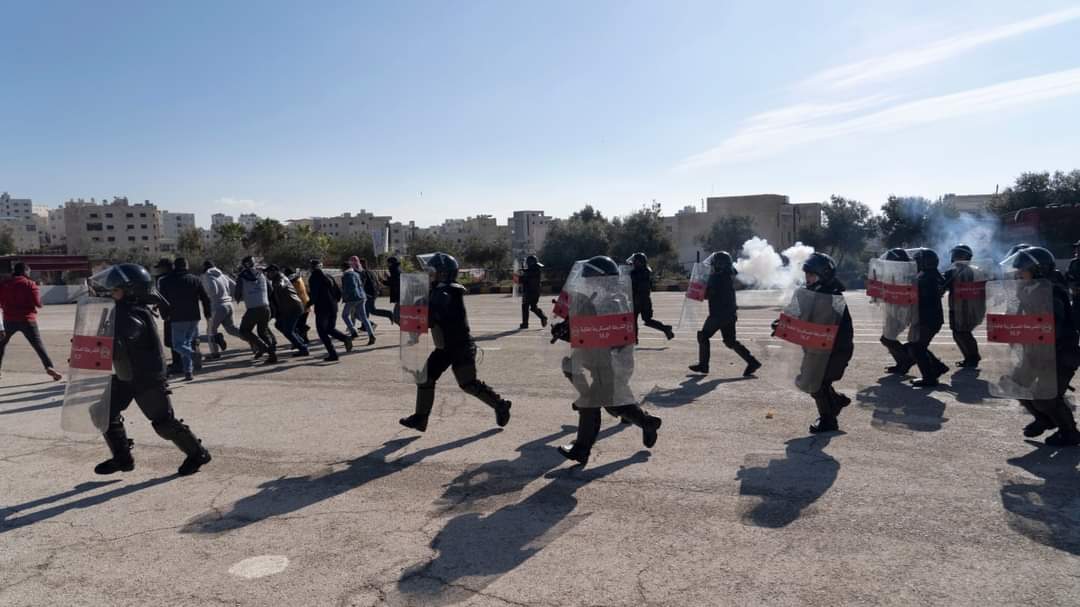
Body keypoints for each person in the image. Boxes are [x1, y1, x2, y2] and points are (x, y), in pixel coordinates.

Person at [90, 263, 212, 476]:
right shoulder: (121, 311)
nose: (109, 293)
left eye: (114, 289)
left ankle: (198, 454)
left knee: (163, 423)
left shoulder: (132, 314)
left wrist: (96, 348)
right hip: (126, 375)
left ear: (130, 291)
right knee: (103, 412)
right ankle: (122, 458)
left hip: (147, 378)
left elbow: (120, 341)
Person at [551, 255, 661, 464]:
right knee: (612, 404)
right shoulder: (598, 298)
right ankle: (647, 422)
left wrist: (576, 331)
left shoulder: (613, 302)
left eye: (589, 277)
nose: (586, 281)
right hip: (600, 360)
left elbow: (604, 335)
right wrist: (565, 329)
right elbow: (586, 331)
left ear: (601, 279)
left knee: (591, 402)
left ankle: (581, 449)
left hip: (612, 363)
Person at [399, 252, 512, 433]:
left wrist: (410, 314)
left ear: (443, 273)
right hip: (444, 348)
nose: (429, 275)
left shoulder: (448, 293)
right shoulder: (437, 291)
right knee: (425, 378)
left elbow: (430, 317)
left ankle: (500, 405)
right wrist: (406, 310)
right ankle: (420, 419)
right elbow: (421, 311)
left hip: (460, 348)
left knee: (468, 384)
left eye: (432, 272)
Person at [1007, 247, 1080, 446]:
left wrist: (1026, 332)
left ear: (1037, 270)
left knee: (1046, 396)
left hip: (1059, 353)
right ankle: (1044, 420)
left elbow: (1052, 327)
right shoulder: (1028, 290)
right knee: (1016, 386)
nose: (1018, 274)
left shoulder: (1052, 293)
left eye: (1022, 270)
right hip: (1036, 350)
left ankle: (1070, 433)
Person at [800, 253, 854, 433]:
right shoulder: (812, 293)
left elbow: (825, 323)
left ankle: (828, 421)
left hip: (836, 350)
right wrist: (783, 324)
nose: (807, 278)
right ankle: (836, 401)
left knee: (816, 383)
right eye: (806, 274)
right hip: (820, 349)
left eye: (811, 275)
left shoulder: (834, 297)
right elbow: (800, 315)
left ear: (823, 275)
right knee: (815, 381)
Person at [688, 251, 761, 376]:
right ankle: (752, 362)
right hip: (729, 314)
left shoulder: (717, 277)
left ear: (719, 264)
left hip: (718, 314)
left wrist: (696, 290)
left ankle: (703, 365)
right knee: (730, 341)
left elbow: (709, 294)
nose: (712, 265)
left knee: (703, 336)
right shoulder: (729, 275)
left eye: (714, 263)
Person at [0, 263, 62, 381]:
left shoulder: (4, 284)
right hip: (27, 320)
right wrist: (40, 304)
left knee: (1, 345)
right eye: (29, 271)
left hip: (8, 320)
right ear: (25, 271)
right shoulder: (30, 284)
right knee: (38, 346)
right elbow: (38, 303)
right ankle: (49, 366)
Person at [156, 257, 212, 381]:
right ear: (186, 266)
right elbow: (205, 298)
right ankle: (188, 372)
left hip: (177, 317)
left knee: (178, 345)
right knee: (186, 344)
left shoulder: (165, 281)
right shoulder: (195, 279)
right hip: (194, 317)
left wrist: (165, 315)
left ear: (175, 266)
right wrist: (207, 313)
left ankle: (193, 355)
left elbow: (162, 300)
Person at [906, 248, 949, 387]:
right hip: (930, 318)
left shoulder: (925, 278)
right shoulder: (932, 276)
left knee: (917, 348)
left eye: (918, 261)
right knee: (918, 346)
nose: (916, 263)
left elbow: (917, 297)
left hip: (927, 319)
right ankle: (938, 367)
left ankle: (929, 378)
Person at [942, 244, 984, 368]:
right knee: (957, 333)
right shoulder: (952, 272)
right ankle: (968, 357)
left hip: (968, 308)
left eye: (958, 255)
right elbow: (943, 285)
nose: (955, 257)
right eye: (955, 255)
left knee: (964, 333)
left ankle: (973, 357)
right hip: (956, 307)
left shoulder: (974, 271)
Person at [877, 248, 917, 374]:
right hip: (894, 309)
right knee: (888, 338)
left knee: (887, 338)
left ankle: (906, 360)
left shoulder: (908, 275)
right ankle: (903, 362)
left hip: (901, 311)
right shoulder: (902, 274)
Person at [306, 259, 354, 361]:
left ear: (312, 267)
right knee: (329, 328)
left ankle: (333, 354)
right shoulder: (329, 276)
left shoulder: (314, 278)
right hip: (333, 306)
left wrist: (308, 304)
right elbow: (338, 292)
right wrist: (334, 302)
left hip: (322, 308)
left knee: (322, 331)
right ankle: (345, 338)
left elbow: (314, 295)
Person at [234, 256, 277, 364]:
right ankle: (272, 354)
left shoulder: (242, 277)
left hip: (253, 309)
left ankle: (262, 347)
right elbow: (271, 289)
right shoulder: (262, 274)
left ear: (244, 265)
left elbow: (237, 294)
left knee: (244, 330)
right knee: (263, 331)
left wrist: (242, 297)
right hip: (266, 307)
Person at [628, 252, 674, 341]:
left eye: (634, 261)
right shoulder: (646, 271)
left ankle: (634, 339)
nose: (633, 263)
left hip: (637, 300)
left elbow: (632, 282)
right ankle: (665, 328)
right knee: (647, 320)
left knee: (633, 320)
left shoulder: (635, 273)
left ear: (639, 262)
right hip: (645, 300)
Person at [266, 265, 310, 357]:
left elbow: (282, 284)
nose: (267, 274)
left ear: (274, 271)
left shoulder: (281, 278)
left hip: (294, 308)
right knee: (279, 324)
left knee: (288, 331)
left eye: (268, 272)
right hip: (288, 308)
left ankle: (303, 348)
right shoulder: (275, 280)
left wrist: (278, 285)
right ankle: (300, 341)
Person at [200, 260, 239, 360]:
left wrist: (207, 297)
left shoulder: (207, 276)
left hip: (216, 306)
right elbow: (235, 286)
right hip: (229, 304)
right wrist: (229, 296)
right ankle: (251, 340)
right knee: (231, 329)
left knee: (211, 330)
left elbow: (213, 290)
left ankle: (215, 353)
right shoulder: (223, 275)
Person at [154, 258, 182, 374]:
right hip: (182, 312)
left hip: (170, 314)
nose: (158, 270)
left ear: (165, 268)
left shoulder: (163, 280)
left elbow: (162, 297)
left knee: (172, 341)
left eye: (160, 268)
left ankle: (178, 364)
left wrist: (164, 313)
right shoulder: (179, 277)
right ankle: (180, 362)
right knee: (179, 339)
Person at [341, 257, 376, 345]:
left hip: (353, 298)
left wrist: (346, 297)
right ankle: (371, 335)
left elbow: (350, 287)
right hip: (362, 297)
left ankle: (353, 332)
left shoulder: (347, 275)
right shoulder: (355, 273)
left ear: (344, 268)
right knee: (364, 318)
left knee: (345, 315)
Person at [519, 254, 548, 329]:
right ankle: (543, 317)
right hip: (535, 292)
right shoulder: (536, 269)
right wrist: (523, 270)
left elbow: (522, 279)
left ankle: (525, 324)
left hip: (529, 292)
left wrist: (519, 275)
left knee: (525, 306)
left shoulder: (530, 272)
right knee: (533, 307)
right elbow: (527, 273)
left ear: (530, 263)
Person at [283, 266, 311, 344]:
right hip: (306, 302)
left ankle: (303, 334)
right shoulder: (299, 278)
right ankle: (305, 339)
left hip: (300, 304)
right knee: (301, 323)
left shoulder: (292, 280)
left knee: (297, 324)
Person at [373, 256, 401, 325]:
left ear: (391, 263)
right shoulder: (396, 270)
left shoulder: (395, 271)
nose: (387, 264)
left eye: (388, 263)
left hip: (400, 297)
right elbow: (393, 281)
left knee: (396, 318)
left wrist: (383, 280)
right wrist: (387, 277)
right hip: (400, 297)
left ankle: (407, 328)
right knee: (397, 317)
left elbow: (393, 282)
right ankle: (406, 328)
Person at [1066, 240, 1080, 326]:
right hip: (1076, 297)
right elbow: (1068, 277)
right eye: (1077, 248)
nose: (1077, 250)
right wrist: (1072, 286)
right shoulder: (1073, 263)